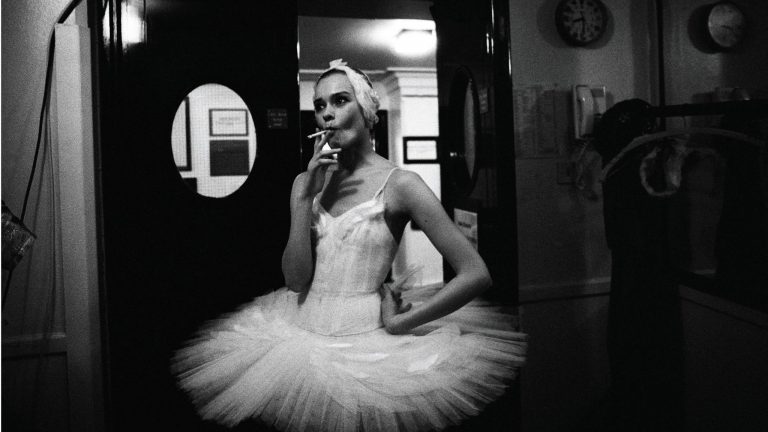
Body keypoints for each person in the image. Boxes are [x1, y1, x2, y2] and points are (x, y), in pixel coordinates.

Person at [172, 59, 526, 432]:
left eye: (340, 101)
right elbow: (295, 280)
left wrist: (402, 322)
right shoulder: (304, 182)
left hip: (369, 345)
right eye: (319, 105)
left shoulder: (402, 184)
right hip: (297, 341)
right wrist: (304, 199)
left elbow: (475, 273)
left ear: (367, 109)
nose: (327, 113)